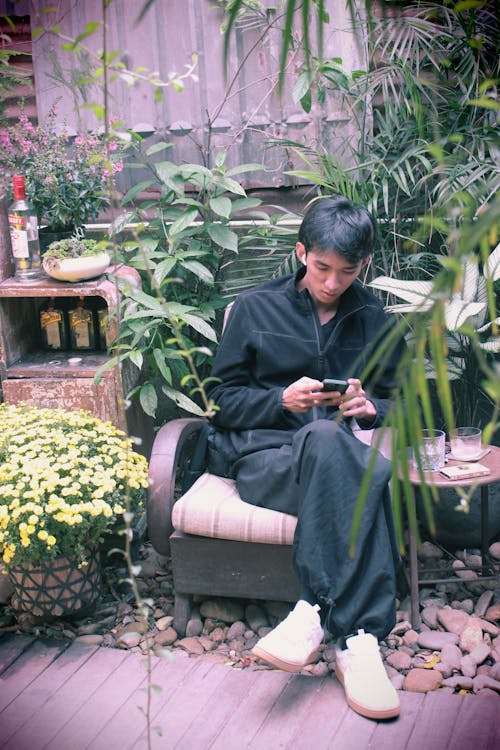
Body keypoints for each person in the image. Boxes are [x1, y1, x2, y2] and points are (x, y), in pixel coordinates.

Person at [205, 195, 407, 721]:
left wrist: (370, 406)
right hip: (269, 461)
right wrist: (279, 400)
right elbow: (218, 402)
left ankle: (315, 614)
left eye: (348, 271)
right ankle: (358, 638)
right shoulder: (254, 310)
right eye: (322, 267)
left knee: (331, 443)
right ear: (301, 253)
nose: (333, 283)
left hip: (337, 457)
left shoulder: (375, 320)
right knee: (357, 470)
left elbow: (400, 403)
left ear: (364, 265)